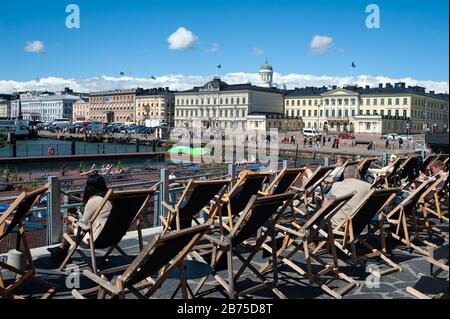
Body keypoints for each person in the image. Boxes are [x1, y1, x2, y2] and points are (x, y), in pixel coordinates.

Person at [47, 173, 112, 260]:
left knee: (70, 227)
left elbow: (82, 225)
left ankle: (62, 251)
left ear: (89, 187)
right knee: (74, 229)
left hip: (97, 240)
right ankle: (61, 249)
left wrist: (72, 219)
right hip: (113, 237)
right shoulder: (111, 199)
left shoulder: (93, 200)